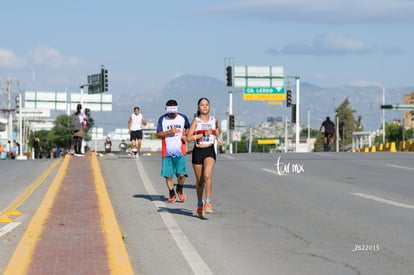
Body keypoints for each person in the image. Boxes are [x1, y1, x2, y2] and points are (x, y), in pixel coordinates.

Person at [187, 98, 222, 218]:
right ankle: (199, 203)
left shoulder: (214, 120)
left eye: (207, 105)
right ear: (198, 108)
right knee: (200, 181)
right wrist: (202, 134)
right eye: (202, 105)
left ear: (209, 107)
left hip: (209, 150)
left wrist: (218, 138)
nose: (205, 107)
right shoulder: (196, 121)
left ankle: (208, 202)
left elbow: (217, 130)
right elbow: (188, 138)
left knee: (207, 175)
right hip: (198, 151)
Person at [156, 99, 190, 203]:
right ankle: (171, 193)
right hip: (167, 152)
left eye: (173, 112)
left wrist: (186, 135)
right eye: (169, 112)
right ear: (166, 110)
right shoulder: (162, 119)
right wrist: (169, 132)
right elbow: (158, 134)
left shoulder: (183, 118)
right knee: (168, 175)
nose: (172, 114)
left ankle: (179, 188)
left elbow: (188, 128)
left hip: (180, 152)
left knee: (181, 175)